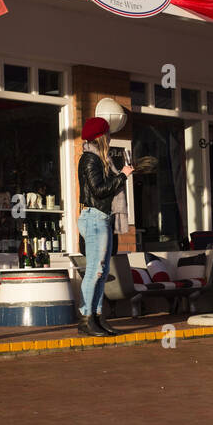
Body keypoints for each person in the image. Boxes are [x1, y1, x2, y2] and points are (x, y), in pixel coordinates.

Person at [78, 117, 132, 336]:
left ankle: (98, 317)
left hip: (103, 218)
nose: (110, 137)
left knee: (102, 271)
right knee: (95, 270)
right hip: (94, 218)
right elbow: (99, 190)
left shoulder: (102, 160)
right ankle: (85, 318)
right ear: (100, 136)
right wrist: (122, 176)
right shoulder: (90, 159)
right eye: (108, 133)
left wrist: (120, 175)